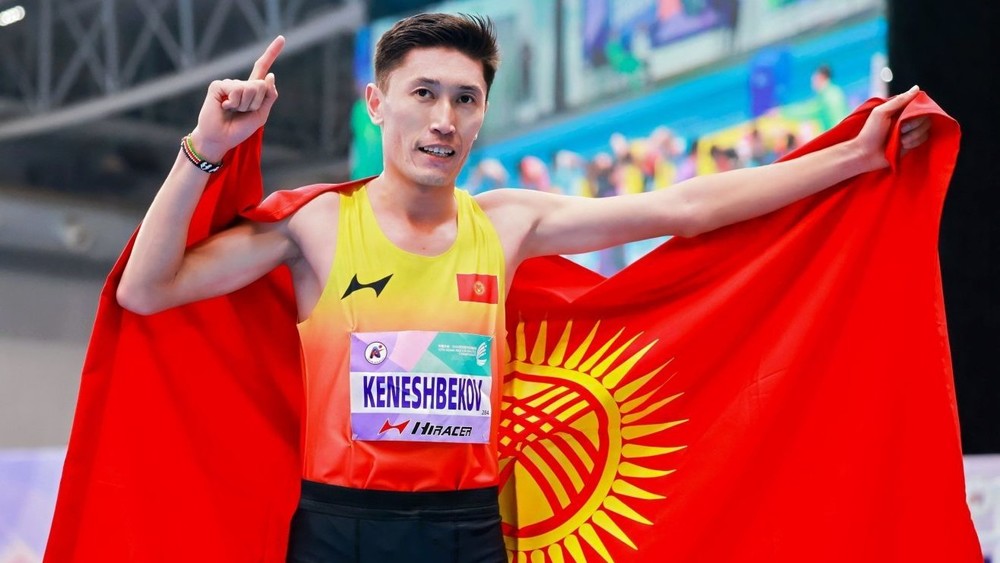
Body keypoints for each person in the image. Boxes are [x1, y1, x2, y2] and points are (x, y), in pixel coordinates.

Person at [114, 13, 930, 562]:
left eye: (465, 100)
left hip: (468, 528)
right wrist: (206, 146)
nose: (444, 119)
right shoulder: (317, 225)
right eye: (424, 94)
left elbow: (685, 207)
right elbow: (146, 291)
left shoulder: (508, 222)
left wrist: (853, 157)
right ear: (377, 103)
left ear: (481, 116)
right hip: (341, 529)